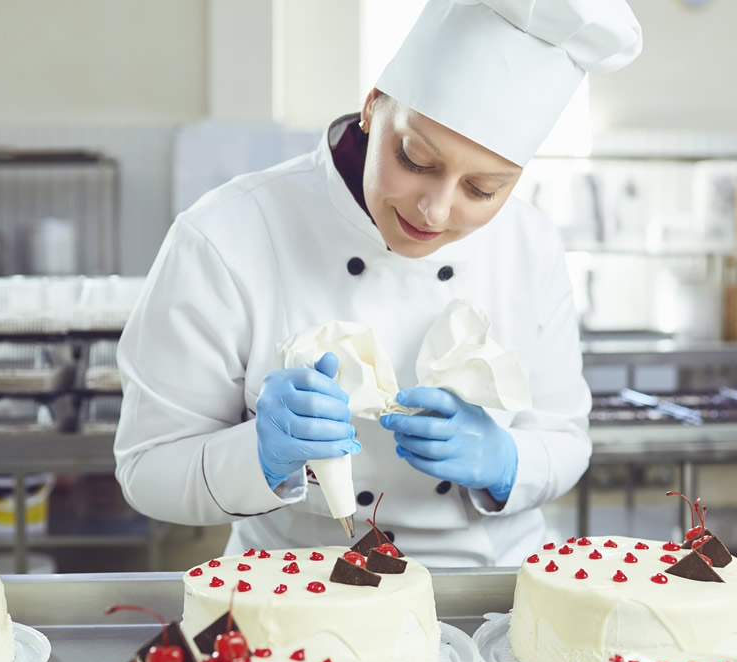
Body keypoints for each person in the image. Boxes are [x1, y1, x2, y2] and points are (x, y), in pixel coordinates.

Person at [114, 0, 642, 567]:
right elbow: (148, 469)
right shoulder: (225, 235)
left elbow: (566, 438)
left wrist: (508, 461)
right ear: (371, 107)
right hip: (297, 586)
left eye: (483, 190)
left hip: (489, 584)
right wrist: (258, 454)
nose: (435, 211)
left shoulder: (530, 243)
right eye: (416, 159)